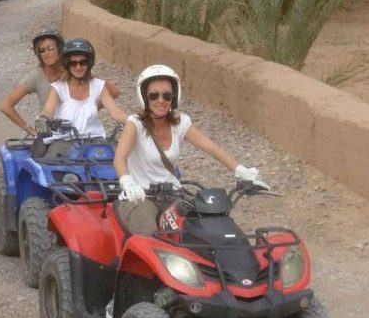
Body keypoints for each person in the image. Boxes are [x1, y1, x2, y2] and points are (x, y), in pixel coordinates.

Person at [114, 64, 270, 211]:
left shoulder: (181, 122)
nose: (161, 100)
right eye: (154, 95)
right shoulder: (135, 123)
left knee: (200, 223)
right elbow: (119, 157)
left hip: (172, 194)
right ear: (145, 97)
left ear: (173, 98)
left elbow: (211, 148)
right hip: (141, 196)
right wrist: (127, 181)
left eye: (167, 96)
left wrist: (241, 170)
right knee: (148, 232)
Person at [1, 31, 122, 135]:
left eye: (50, 48)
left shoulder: (74, 69)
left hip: (82, 131)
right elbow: (6, 105)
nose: (46, 53)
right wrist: (30, 129)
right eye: (42, 50)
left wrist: (89, 108)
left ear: (60, 51)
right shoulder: (37, 77)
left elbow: (113, 91)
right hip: (53, 132)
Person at [35, 38, 127, 148]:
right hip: (64, 143)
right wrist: (44, 119)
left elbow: (116, 112)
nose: (78, 67)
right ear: (67, 65)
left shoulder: (98, 85)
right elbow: (48, 111)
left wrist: (138, 121)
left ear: (89, 63)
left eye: (82, 62)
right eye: (73, 63)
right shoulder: (58, 88)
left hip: (94, 141)